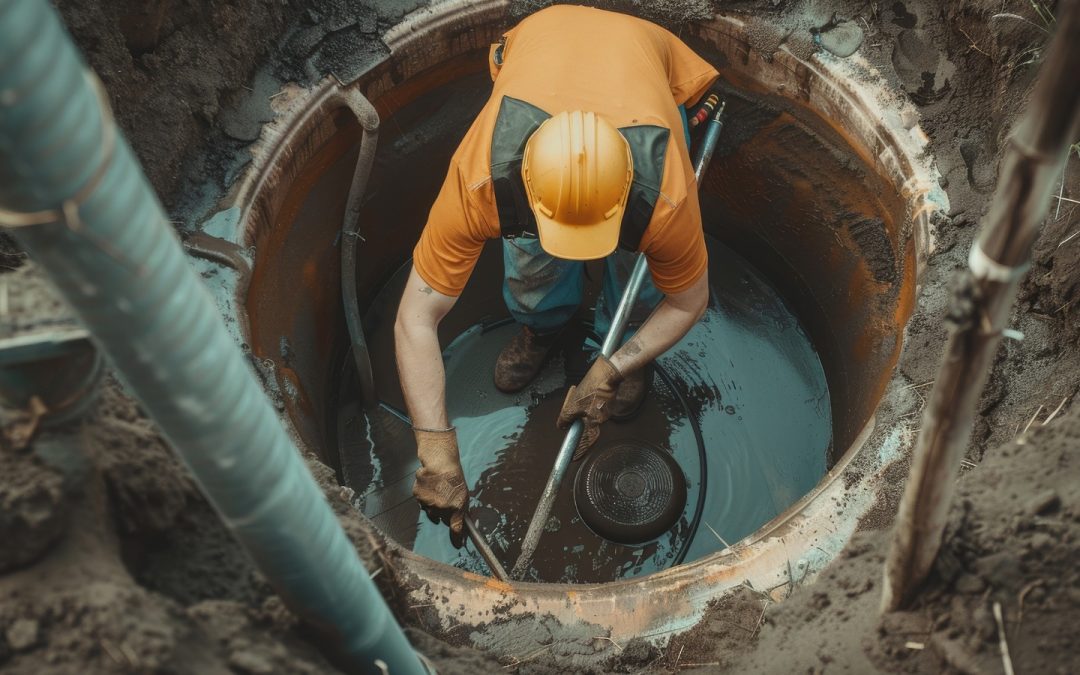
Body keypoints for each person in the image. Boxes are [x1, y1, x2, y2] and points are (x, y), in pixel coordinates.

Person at [394, 5, 718, 541]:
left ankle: (625, 346)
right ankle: (543, 327)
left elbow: (688, 299)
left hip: (643, 67)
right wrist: (434, 448)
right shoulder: (480, 180)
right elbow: (416, 315)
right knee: (531, 265)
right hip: (542, 44)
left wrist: (615, 364)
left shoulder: (664, 193)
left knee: (640, 274)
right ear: (524, 182)